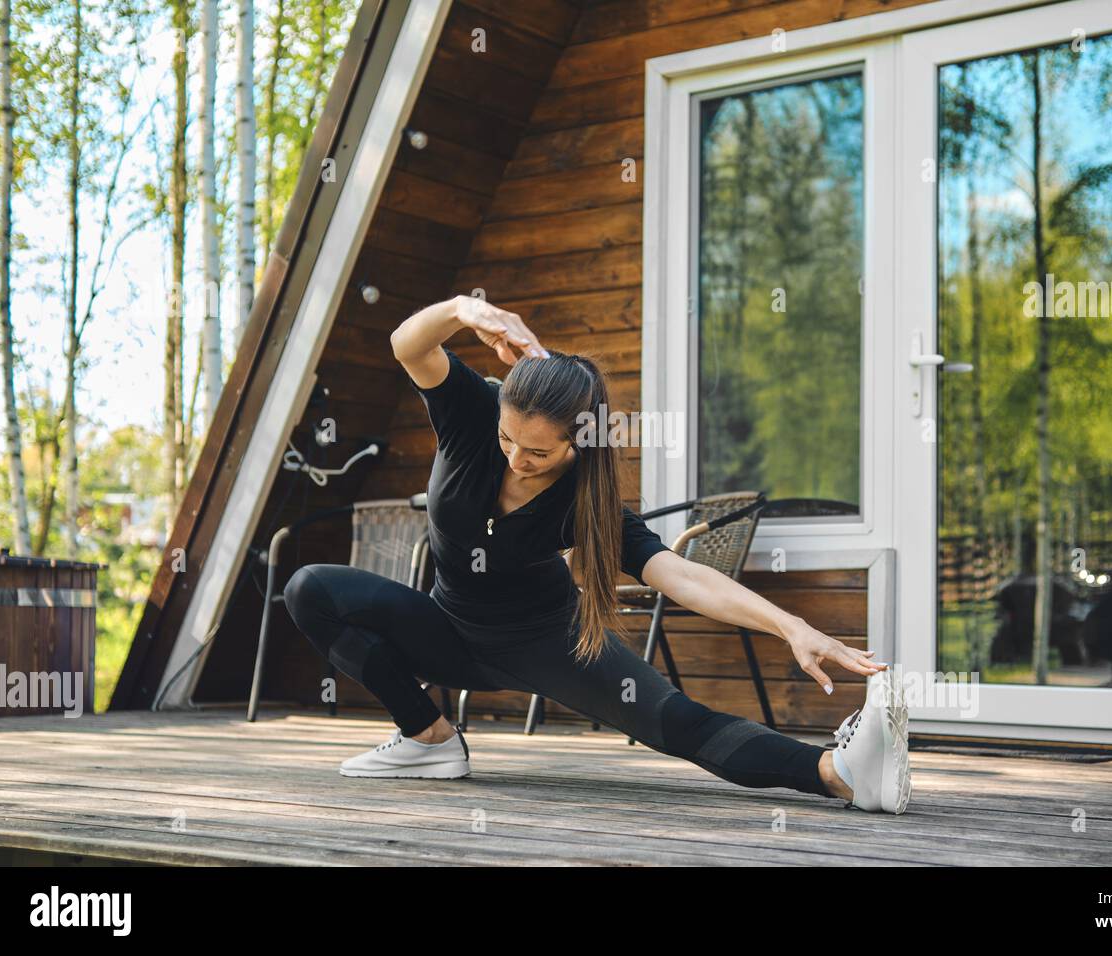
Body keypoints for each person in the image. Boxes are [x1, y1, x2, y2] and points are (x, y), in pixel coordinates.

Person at [283, 295, 911, 814]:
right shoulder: (471, 412)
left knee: (675, 722)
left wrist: (790, 626)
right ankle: (429, 738)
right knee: (310, 588)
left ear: (579, 444)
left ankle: (842, 773)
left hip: (546, 641)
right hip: (447, 628)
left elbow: (683, 577)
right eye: (507, 440)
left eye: (538, 453)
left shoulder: (590, 502)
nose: (515, 460)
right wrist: (467, 310)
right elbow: (407, 344)